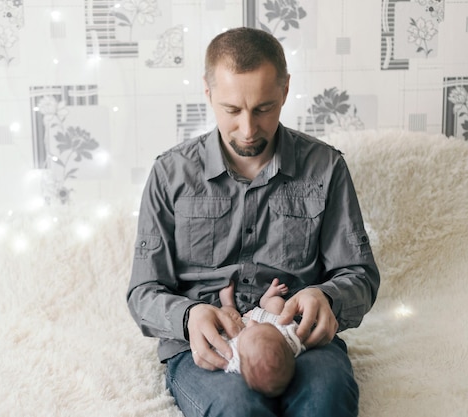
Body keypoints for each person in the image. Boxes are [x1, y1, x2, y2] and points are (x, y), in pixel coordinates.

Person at [127, 26, 380, 417]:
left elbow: (360, 275)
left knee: (326, 401)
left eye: (263, 108)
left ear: (284, 91)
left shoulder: (326, 168)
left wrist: (326, 296)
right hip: (211, 347)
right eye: (232, 110)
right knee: (238, 409)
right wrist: (189, 316)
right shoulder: (169, 174)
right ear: (208, 94)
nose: (248, 129)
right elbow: (143, 290)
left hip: (297, 338)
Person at [218, 278, 304, 397]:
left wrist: (225, 331)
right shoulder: (291, 342)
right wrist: (256, 315)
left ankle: (228, 303)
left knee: (226, 315)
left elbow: (218, 348)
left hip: (238, 328)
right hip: (269, 321)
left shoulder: (234, 358)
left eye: (250, 329)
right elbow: (286, 325)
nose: (253, 323)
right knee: (278, 304)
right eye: (257, 326)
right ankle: (266, 299)